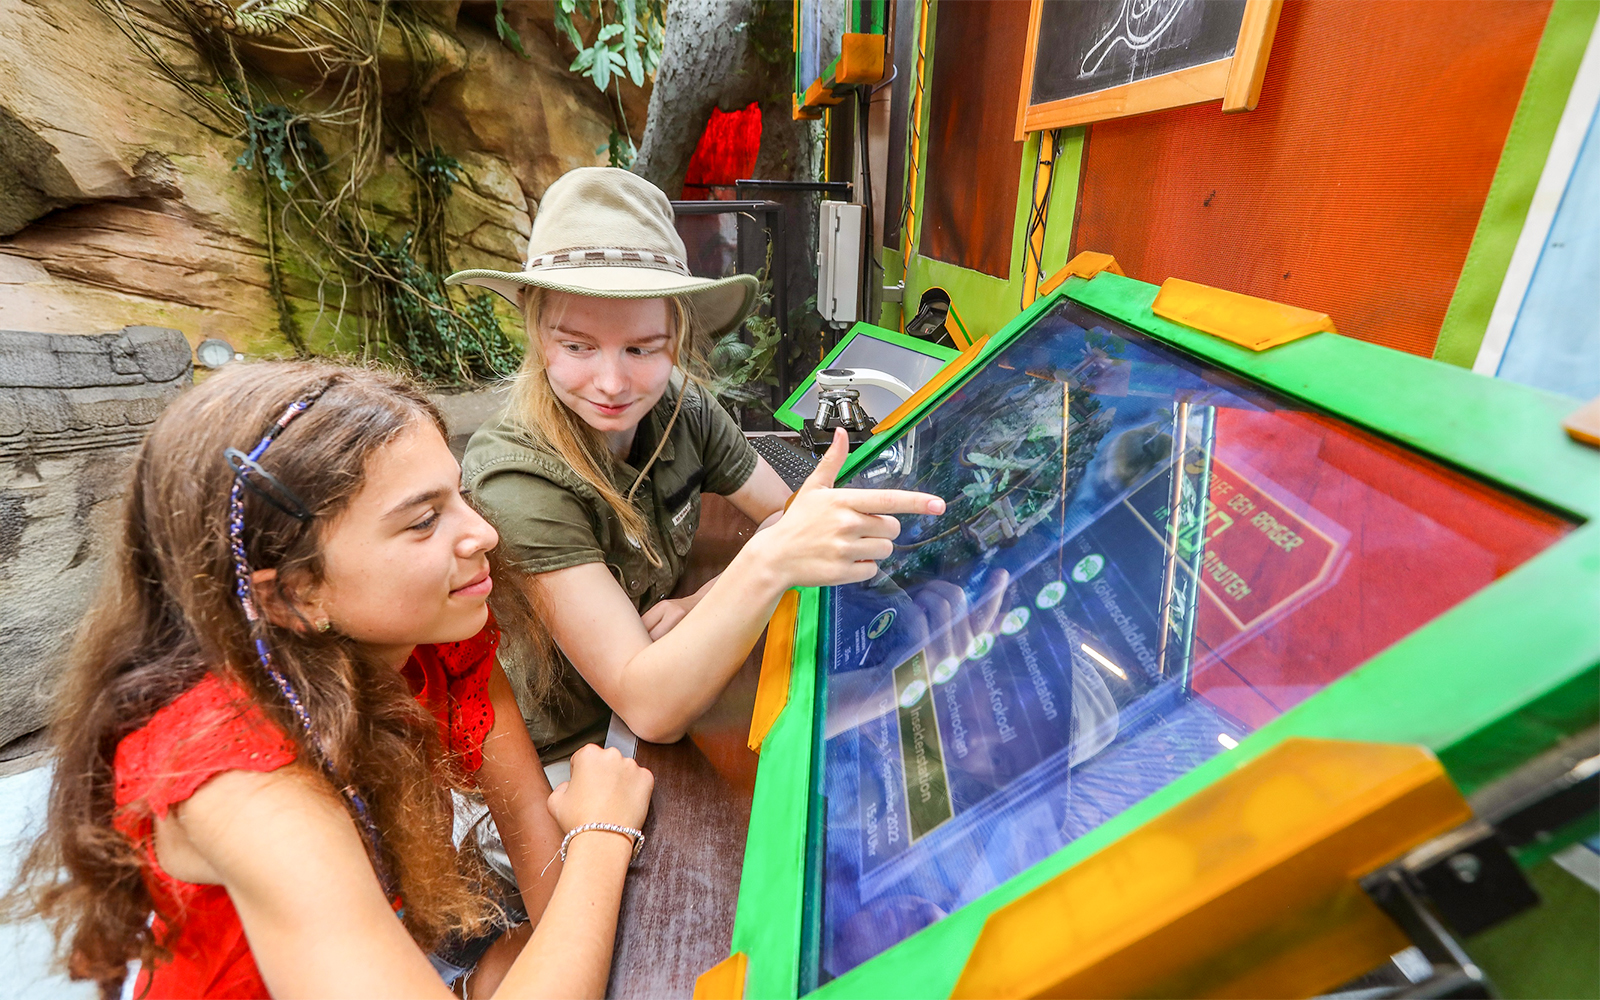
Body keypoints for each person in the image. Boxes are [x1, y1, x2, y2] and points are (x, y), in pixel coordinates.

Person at [8, 362, 653, 999]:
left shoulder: (435, 638)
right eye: (423, 520)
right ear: (294, 593)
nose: (483, 532)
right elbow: (571, 865)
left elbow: (529, 834)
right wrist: (601, 833)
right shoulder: (241, 782)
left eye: (459, 495)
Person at [447, 168, 945, 755]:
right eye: (577, 346)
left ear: (677, 335)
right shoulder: (518, 482)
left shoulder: (685, 406)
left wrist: (700, 602)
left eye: (642, 348)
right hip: (573, 751)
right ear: (538, 336)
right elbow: (652, 708)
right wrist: (763, 564)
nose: (612, 383)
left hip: (673, 680)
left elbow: (785, 512)